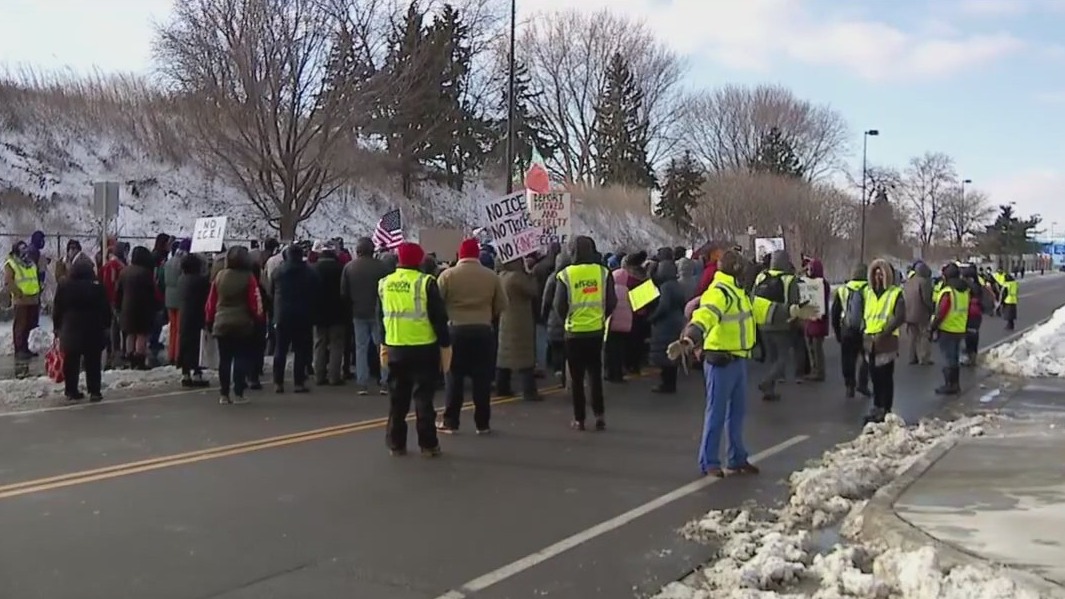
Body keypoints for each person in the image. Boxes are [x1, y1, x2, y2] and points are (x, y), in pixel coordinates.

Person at [670, 249, 816, 477]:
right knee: (716, 414)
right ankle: (709, 461)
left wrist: (793, 310)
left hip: (738, 360)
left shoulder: (740, 293)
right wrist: (689, 338)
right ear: (736, 270)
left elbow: (763, 308)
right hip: (720, 362)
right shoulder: (719, 293)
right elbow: (704, 317)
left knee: (736, 413)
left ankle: (737, 458)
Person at [378, 242, 450, 457]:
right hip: (423, 348)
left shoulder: (384, 284)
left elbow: (380, 317)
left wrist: (383, 343)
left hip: (395, 346)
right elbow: (439, 318)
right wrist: (445, 345)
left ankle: (396, 443)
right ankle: (428, 444)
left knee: (397, 400)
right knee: (423, 399)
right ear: (419, 260)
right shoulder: (426, 282)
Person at [436, 238, 507, 434]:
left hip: (456, 330)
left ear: (459, 255)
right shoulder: (492, 276)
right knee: (482, 379)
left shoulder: (447, 276)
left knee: (454, 378)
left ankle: (451, 421)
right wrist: (487, 315)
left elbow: (437, 303)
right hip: (483, 331)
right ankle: (482, 423)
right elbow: (502, 304)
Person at [552, 236, 617, 431]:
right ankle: (600, 415)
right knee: (595, 375)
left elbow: (558, 305)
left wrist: (568, 319)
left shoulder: (565, 275)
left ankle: (579, 419)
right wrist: (601, 316)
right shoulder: (603, 272)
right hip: (596, 330)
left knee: (577, 378)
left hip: (573, 332)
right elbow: (612, 301)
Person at [205, 246, 266, 404]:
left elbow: (211, 302)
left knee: (224, 360)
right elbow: (255, 301)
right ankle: (238, 393)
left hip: (221, 322)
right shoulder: (248, 277)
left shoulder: (219, 276)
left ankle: (224, 394)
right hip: (242, 323)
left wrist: (209, 320)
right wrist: (258, 318)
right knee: (241, 358)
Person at [52, 259, 111, 402]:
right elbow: (105, 309)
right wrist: (106, 325)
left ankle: (71, 390)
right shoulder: (97, 287)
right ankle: (94, 391)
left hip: (70, 329)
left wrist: (57, 327)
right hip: (93, 329)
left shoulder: (64, 286)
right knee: (93, 361)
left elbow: (57, 308)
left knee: (71, 361)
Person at [341, 237, 391, 395]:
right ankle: (385, 380)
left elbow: (344, 292)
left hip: (358, 312)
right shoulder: (382, 267)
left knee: (360, 348)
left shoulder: (349, 267)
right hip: (378, 311)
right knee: (382, 347)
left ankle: (362, 383)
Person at [862, 259, 906, 424]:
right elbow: (865, 314)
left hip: (886, 339)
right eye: (875, 274)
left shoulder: (895, 293)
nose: (878, 277)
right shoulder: (868, 293)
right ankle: (876, 406)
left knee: (885, 377)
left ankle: (885, 408)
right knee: (874, 377)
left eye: (881, 274)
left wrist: (884, 332)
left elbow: (900, 316)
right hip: (869, 339)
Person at [752, 250, 801, 401]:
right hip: (781, 323)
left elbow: (753, 296)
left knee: (771, 357)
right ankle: (767, 382)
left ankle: (770, 391)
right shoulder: (789, 279)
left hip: (762, 321)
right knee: (783, 357)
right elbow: (794, 302)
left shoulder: (761, 276)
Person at [271, 245, 318, 393]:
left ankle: (278, 382)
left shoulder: (278, 272)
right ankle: (299, 382)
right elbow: (316, 292)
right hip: (303, 315)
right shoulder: (310, 272)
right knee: (300, 351)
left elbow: (271, 290)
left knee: (280, 349)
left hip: (282, 314)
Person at [495, 257, 541, 402]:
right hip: (521, 320)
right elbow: (533, 290)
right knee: (524, 356)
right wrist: (530, 274)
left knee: (504, 356)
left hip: (505, 318)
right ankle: (529, 391)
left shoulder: (501, 277)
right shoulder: (517, 277)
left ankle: (502, 388)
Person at [830, 265, 870, 398]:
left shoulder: (843, 290)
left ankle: (849, 385)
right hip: (866, 329)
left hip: (847, 329)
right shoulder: (870, 289)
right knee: (867, 358)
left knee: (848, 359)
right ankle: (863, 384)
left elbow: (835, 312)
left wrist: (837, 332)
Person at [311, 240, 348, 386]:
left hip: (318, 311)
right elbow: (345, 290)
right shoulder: (342, 268)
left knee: (319, 343)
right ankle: (334, 376)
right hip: (338, 311)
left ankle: (319, 375)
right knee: (336, 345)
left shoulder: (313, 269)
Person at [115, 246, 159, 370]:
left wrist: (118, 307)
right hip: (142, 308)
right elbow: (152, 292)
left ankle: (130, 358)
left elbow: (118, 291)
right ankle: (140, 359)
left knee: (130, 333)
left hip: (126, 307)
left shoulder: (124, 271)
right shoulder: (146, 273)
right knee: (141, 334)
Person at [930, 263, 969, 395]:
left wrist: (933, 327)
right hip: (960, 328)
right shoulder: (964, 290)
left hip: (947, 329)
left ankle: (950, 384)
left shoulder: (948, 291)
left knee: (948, 359)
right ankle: (955, 383)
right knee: (954, 357)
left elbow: (942, 312)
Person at [648, 259, 685, 393]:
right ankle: (671, 383)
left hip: (665, 324)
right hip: (677, 322)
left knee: (664, 354)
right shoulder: (677, 285)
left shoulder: (666, 287)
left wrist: (652, 317)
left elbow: (663, 306)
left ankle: (666, 384)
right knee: (673, 353)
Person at [2, 241, 42, 359]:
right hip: (21, 300)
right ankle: (19, 349)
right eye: (22, 249)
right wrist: (18, 293)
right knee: (20, 325)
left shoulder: (30, 263)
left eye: (26, 248)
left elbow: (34, 278)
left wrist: (39, 289)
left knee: (29, 324)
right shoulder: (11, 263)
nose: (25, 251)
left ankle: (25, 347)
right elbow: (9, 282)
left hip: (33, 299)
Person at [177, 253, 211, 388]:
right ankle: (197, 373)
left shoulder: (181, 279)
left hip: (184, 314)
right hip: (197, 315)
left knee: (185, 344)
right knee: (197, 346)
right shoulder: (200, 281)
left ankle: (185, 373)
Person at [802, 258, 830, 381]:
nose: (808, 271)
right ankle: (814, 370)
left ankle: (819, 371)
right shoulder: (809, 283)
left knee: (817, 348)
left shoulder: (822, 284)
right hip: (809, 320)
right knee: (811, 348)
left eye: (810, 269)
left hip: (818, 320)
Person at [902, 261, 934, 365]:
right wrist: (931, 308)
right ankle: (924, 358)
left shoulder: (908, 282)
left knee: (912, 336)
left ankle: (912, 357)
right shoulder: (924, 282)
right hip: (921, 313)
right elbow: (926, 298)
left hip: (909, 312)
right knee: (924, 335)